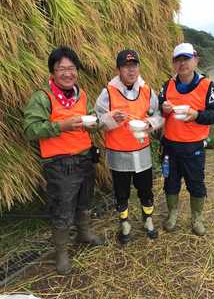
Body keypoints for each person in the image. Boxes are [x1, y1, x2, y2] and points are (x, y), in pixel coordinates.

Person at [23, 46, 104, 275]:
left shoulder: (81, 93)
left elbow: (91, 116)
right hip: (60, 164)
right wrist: (61, 126)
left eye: (71, 68)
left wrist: (97, 121)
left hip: (85, 158)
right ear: (53, 72)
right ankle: (61, 253)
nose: (68, 73)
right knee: (62, 209)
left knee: (84, 200)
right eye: (62, 69)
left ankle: (84, 233)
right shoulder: (42, 97)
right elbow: (30, 129)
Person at [95, 49, 163, 244]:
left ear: (138, 68)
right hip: (118, 153)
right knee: (121, 191)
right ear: (118, 70)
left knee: (146, 189)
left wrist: (151, 123)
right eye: (126, 66)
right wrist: (110, 118)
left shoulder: (147, 91)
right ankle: (124, 222)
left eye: (134, 66)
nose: (131, 70)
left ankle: (147, 218)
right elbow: (97, 121)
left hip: (141, 151)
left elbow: (158, 114)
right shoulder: (107, 93)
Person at [159, 42, 214, 236]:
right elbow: (158, 107)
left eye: (186, 59)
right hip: (170, 146)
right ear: (173, 63)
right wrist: (164, 108)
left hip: (194, 147)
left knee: (196, 183)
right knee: (170, 182)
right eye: (178, 60)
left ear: (195, 60)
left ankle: (197, 217)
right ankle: (172, 213)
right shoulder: (167, 85)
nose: (182, 63)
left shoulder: (206, 85)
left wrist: (197, 115)